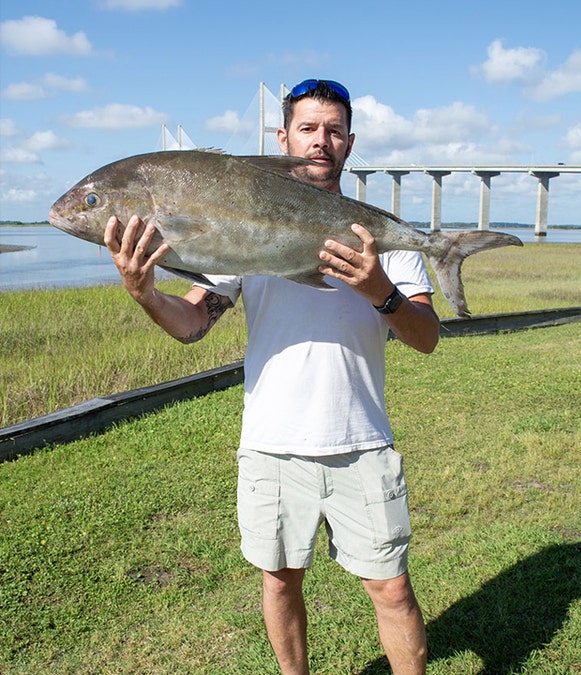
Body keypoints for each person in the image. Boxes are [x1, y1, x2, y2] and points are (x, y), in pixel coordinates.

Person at [102, 79, 438, 675]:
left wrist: (377, 289)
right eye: (308, 129)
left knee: (390, 590)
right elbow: (191, 324)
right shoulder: (240, 227)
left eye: (333, 131)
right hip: (271, 443)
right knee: (280, 583)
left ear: (350, 143)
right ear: (283, 138)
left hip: (362, 441)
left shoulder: (379, 233)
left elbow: (426, 337)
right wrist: (143, 291)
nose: (320, 142)